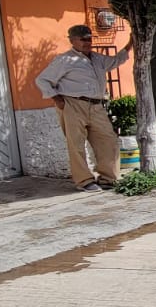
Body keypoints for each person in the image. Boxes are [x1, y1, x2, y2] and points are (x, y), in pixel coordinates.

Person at [35, 24, 133, 191]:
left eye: (89, 38)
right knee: (76, 144)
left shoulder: (97, 58)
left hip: (96, 105)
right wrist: (56, 99)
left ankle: (108, 179)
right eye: (83, 39)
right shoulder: (65, 60)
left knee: (108, 140)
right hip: (73, 104)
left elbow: (116, 60)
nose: (87, 42)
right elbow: (42, 80)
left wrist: (131, 43)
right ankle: (84, 181)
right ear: (73, 41)